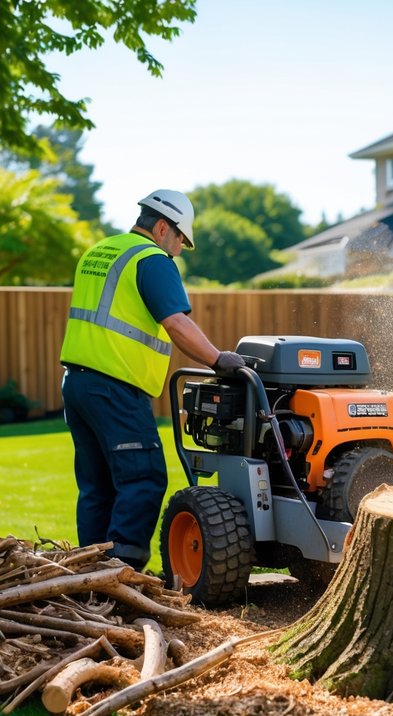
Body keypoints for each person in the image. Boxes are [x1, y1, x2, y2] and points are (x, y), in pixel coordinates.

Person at [58, 189, 245, 571]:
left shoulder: (100, 251)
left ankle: (89, 572)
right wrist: (218, 360)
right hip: (115, 386)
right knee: (143, 477)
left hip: (76, 384)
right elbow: (176, 322)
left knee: (97, 486)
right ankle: (121, 574)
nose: (178, 250)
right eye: (179, 240)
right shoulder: (152, 259)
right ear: (163, 227)